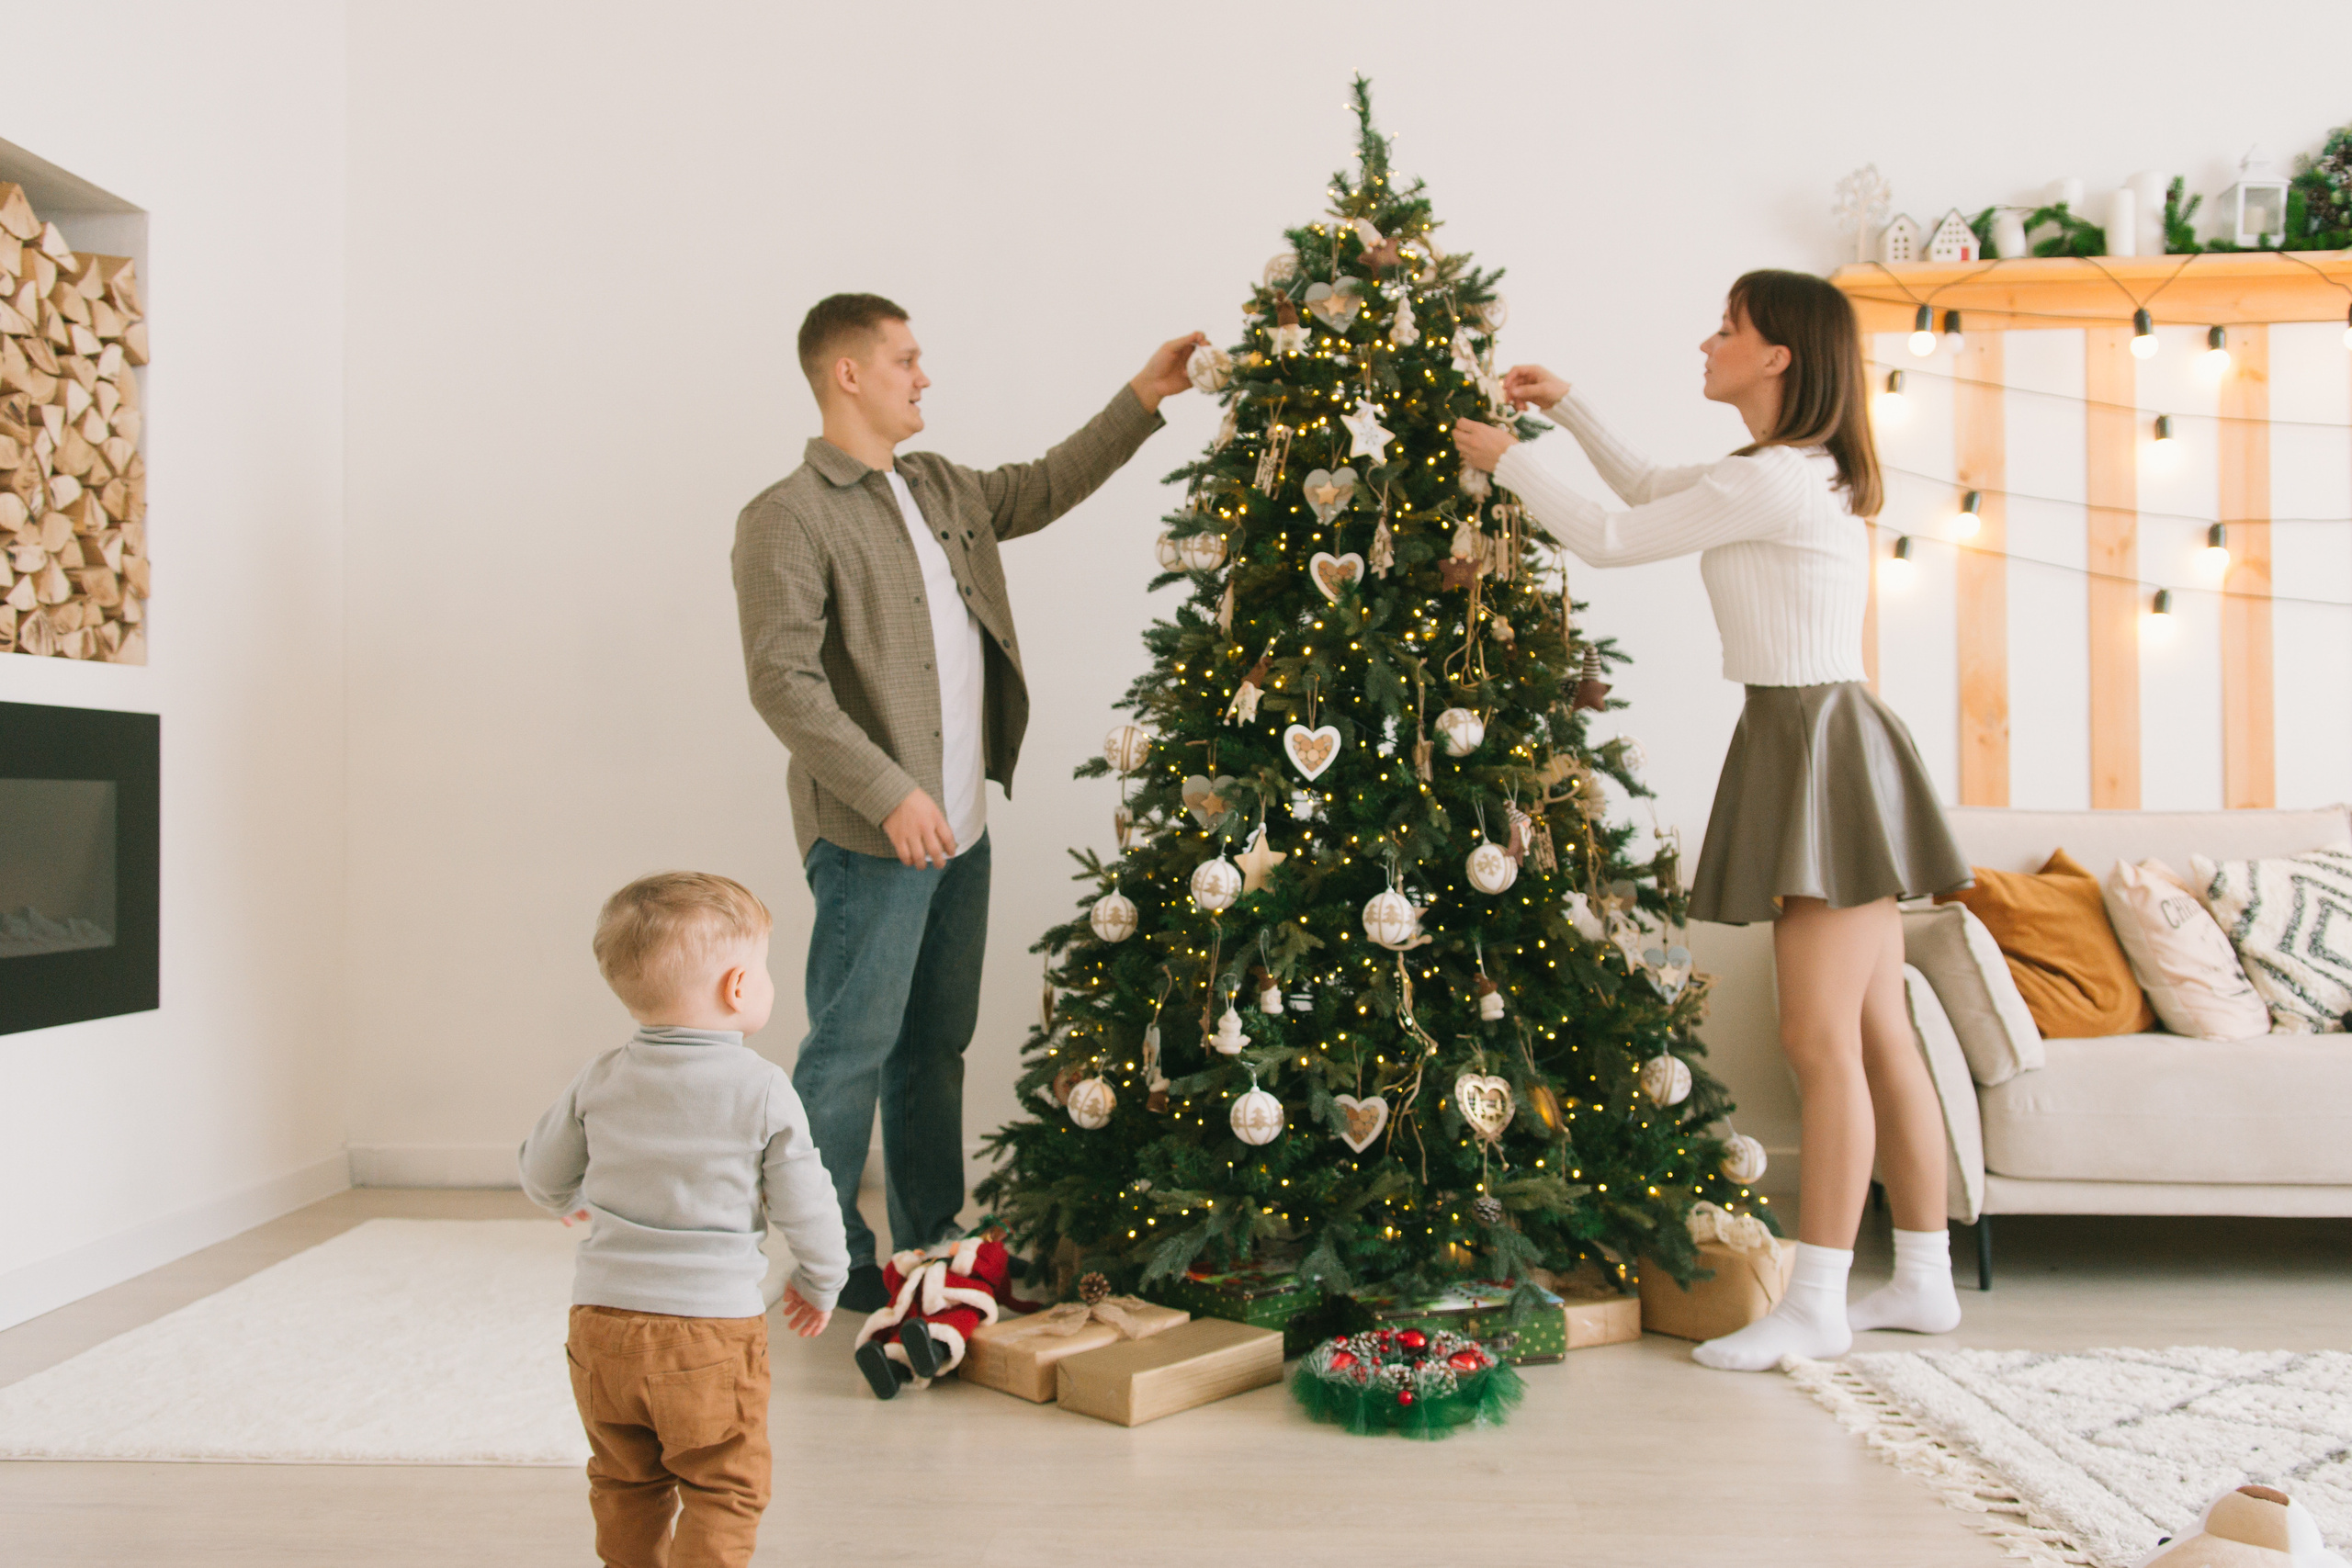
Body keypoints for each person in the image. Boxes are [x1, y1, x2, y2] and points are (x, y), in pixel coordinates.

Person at [1453, 270, 1971, 1372]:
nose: (1707, 341)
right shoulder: (1779, 475)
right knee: (1877, 1034)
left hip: (1816, 746)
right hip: (1823, 738)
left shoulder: (1783, 480)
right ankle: (1921, 1279)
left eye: (1726, 328)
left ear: (1778, 354)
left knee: (1819, 1040)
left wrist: (1509, 461)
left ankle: (1817, 1302)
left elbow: (1607, 535)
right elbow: (1645, 485)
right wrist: (1569, 408)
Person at [732, 294, 1204, 1311]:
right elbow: (783, 684)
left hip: (961, 826)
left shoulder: (941, 486)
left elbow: (1041, 487)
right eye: (905, 359)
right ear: (847, 373)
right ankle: (830, 1259)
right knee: (851, 1045)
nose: (923, 375)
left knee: (933, 1047)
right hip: (873, 831)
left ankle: (928, 1242)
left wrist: (1144, 394)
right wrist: (888, 790)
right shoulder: (787, 515)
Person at [520, 872, 848, 1568]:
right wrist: (823, 1280)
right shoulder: (761, 1088)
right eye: (762, 968)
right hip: (708, 1337)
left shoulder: (601, 1076)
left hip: (601, 1327)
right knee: (724, 1486)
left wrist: (563, 1200)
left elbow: (542, 1171)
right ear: (737, 987)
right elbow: (807, 1202)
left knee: (624, 1481)